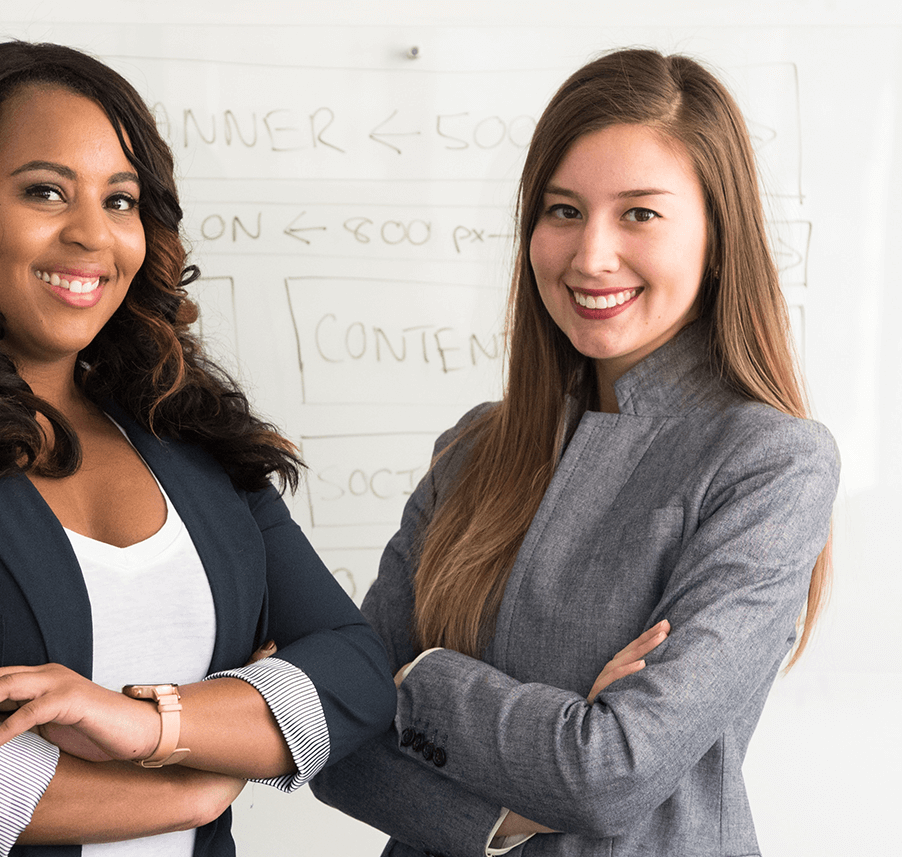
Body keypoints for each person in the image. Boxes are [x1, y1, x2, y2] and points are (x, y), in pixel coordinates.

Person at [0, 41, 395, 857]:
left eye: (120, 200)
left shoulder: (189, 440)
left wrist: (144, 725)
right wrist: (195, 784)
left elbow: (354, 673)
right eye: (45, 191)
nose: (93, 233)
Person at [310, 48, 838, 857]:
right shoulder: (475, 446)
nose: (590, 255)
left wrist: (415, 678)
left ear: (717, 235)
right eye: (562, 211)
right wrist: (511, 810)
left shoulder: (771, 462)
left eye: (639, 213)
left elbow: (611, 772)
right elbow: (333, 741)